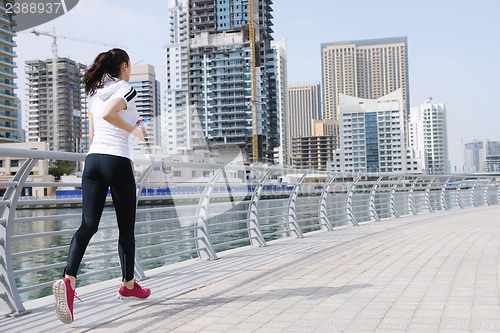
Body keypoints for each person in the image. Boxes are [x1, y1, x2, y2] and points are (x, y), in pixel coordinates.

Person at [52, 48, 151, 325]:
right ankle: (129, 286)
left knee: (88, 224)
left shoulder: (95, 92)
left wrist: (132, 124)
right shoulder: (126, 88)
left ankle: (69, 279)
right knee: (126, 228)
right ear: (125, 65)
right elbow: (110, 115)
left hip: (93, 161)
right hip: (117, 162)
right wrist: (135, 131)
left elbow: (96, 130)